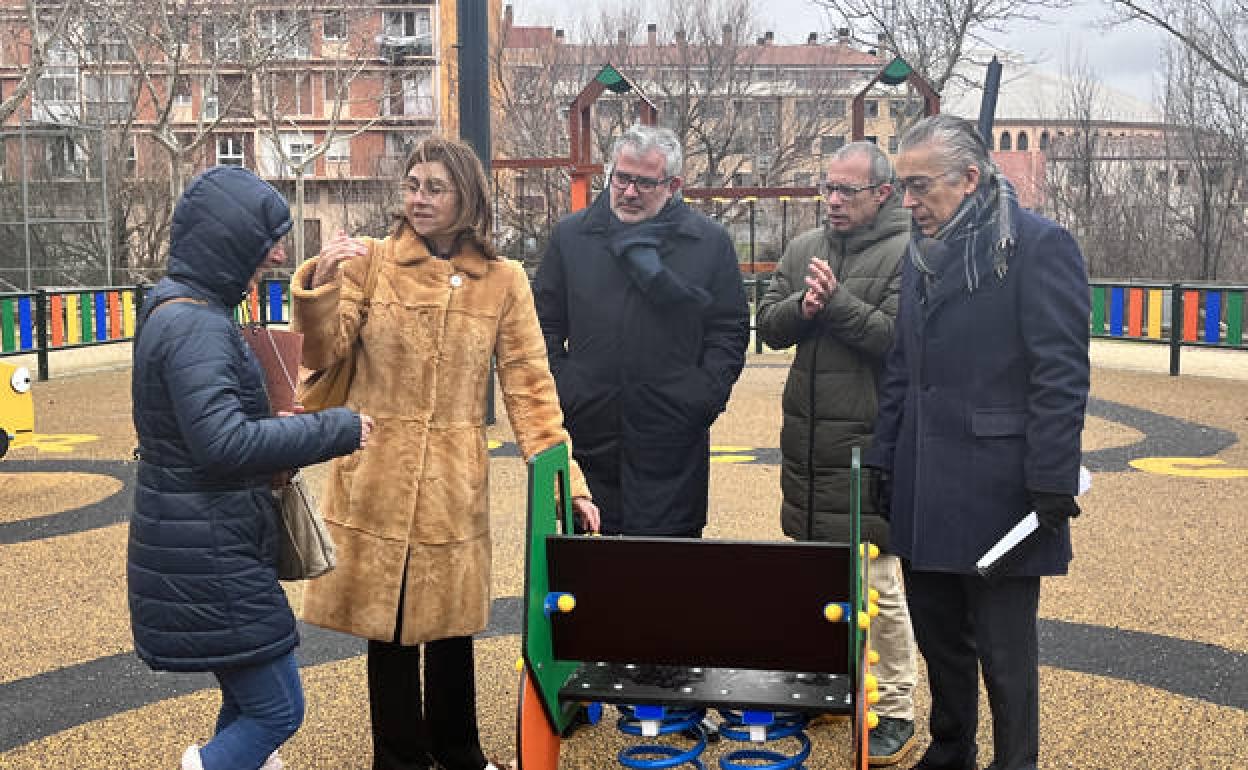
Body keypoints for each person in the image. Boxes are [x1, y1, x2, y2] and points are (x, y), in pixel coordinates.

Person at [291, 137, 599, 770]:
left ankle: (460, 754)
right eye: (411, 185)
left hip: (454, 478)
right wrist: (319, 286)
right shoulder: (371, 262)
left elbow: (531, 389)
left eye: (435, 187)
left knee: (454, 628)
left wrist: (571, 483)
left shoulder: (504, 280)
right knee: (390, 628)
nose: (418, 198)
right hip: (376, 468)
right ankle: (398, 759)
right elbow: (321, 358)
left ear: (467, 197)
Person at [128, 166, 373, 770]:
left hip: (200, 537)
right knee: (277, 710)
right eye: (270, 238)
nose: (281, 251)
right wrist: (337, 427)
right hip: (208, 545)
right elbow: (222, 443)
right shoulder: (196, 327)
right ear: (232, 240)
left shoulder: (183, 312)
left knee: (248, 703)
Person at [867, 115, 1090, 770]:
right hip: (924, 479)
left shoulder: (1039, 247)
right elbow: (903, 367)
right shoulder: (920, 250)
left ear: (969, 178)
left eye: (918, 186)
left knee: (1005, 652)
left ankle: (1015, 761)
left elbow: (1061, 372)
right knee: (941, 638)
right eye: (900, 186)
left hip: (1003, 489)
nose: (907, 202)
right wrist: (885, 454)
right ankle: (950, 748)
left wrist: (1052, 474)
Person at [756, 141, 918, 766]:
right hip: (808, 442)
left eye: (845, 191)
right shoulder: (805, 249)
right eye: (826, 188)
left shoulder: (911, 254)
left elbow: (898, 342)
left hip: (868, 446)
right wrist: (804, 307)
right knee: (819, 577)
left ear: (881, 193)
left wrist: (838, 305)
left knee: (878, 581)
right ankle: (832, 685)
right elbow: (768, 326)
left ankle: (897, 706)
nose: (832, 200)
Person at [533, 124, 750, 538]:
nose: (630, 192)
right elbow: (543, 323)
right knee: (584, 580)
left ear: (673, 185)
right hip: (588, 429)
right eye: (622, 178)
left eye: (645, 183)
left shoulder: (708, 242)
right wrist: (566, 386)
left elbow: (729, 328)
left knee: (664, 578)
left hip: (671, 437)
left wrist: (702, 396)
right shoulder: (571, 237)